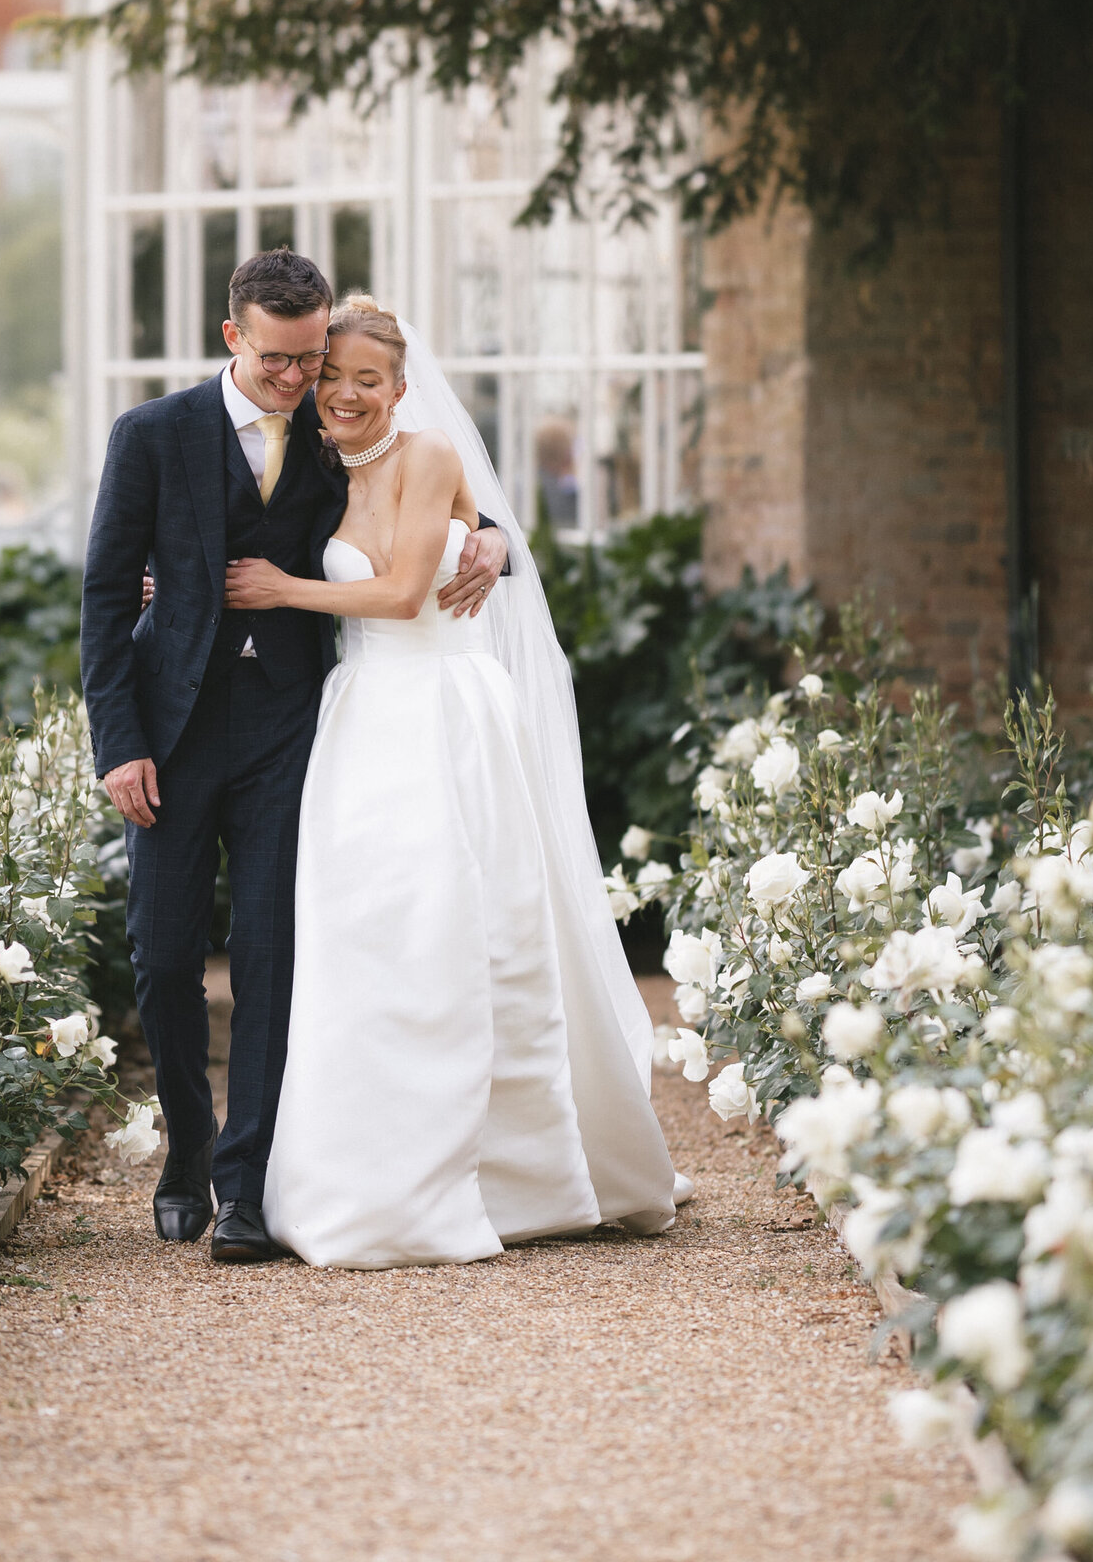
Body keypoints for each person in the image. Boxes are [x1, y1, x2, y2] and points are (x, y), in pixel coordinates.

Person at [225, 295, 681, 1267]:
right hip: (358, 716)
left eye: (367, 379)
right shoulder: (309, 462)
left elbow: (397, 591)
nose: (345, 393)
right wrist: (486, 541)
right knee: (363, 938)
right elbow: (473, 534)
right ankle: (359, 1174)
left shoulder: (427, 451)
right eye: (332, 374)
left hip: (436, 711)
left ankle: (504, 1175)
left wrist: (281, 585)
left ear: (399, 386)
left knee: (457, 927)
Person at [79, 251, 509, 1263]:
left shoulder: (330, 431)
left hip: (290, 725)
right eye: (279, 359)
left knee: (273, 953)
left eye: (312, 357)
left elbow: (418, 490)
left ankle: (246, 1186)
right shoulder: (150, 436)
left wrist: (491, 540)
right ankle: (185, 1151)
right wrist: (119, 745)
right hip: (172, 733)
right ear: (235, 337)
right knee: (166, 953)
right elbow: (103, 595)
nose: (299, 380)